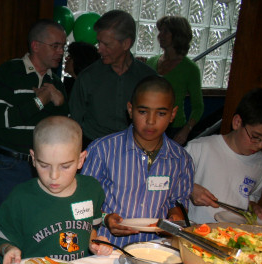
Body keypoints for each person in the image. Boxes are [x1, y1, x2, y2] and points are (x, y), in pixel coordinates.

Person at [81, 75, 193, 247]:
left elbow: (178, 201)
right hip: (106, 247)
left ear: (173, 115)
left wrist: (176, 218)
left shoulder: (180, 160)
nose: (150, 121)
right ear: (130, 109)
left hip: (155, 248)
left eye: (161, 113)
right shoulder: (102, 150)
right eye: (143, 112)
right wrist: (105, 219)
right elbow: (82, 202)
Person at [0, 116, 112, 264]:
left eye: (65, 166)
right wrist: (8, 249)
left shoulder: (92, 190)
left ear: (81, 160)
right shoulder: (20, 198)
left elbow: (92, 229)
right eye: (44, 165)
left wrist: (94, 243)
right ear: (34, 158)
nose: (54, 176)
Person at [0, 19, 69, 232]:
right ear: (35, 45)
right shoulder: (10, 71)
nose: (60, 51)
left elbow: (62, 132)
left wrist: (60, 106)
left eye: (63, 46)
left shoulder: (57, 83)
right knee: (4, 227)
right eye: (55, 46)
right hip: (10, 165)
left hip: (44, 169)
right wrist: (39, 102)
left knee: (39, 228)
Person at [69, 10, 156, 145]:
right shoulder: (88, 77)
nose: (99, 49)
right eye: (99, 43)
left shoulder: (148, 79)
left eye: (106, 44)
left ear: (126, 44)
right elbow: (74, 122)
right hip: (94, 149)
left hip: (134, 151)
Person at [186, 88, 262, 223]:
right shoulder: (199, 148)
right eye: (255, 137)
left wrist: (255, 208)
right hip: (194, 231)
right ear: (237, 122)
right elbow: (170, 181)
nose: (259, 145)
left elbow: (251, 198)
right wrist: (190, 188)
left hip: (233, 235)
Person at [147, 16, 203, 145]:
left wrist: (186, 130)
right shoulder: (151, 62)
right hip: (149, 124)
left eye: (165, 31)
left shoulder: (190, 68)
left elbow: (198, 106)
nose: (160, 35)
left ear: (178, 35)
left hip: (173, 128)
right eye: (160, 31)